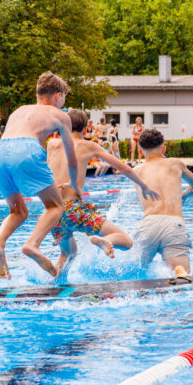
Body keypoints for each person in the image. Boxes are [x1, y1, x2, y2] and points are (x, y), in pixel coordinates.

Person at [0, 71, 82, 280]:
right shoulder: (60, 115)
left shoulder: (19, 111)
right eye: (64, 98)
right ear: (58, 96)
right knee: (55, 206)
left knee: (18, 211)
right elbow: (72, 159)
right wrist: (75, 185)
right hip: (25, 150)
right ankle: (33, 244)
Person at [47, 109, 160, 272]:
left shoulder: (52, 144)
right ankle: (105, 241)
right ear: (86, 129)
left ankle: (55, 282)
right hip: (74, 210)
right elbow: (123, 168)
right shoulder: (88, 146)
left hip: (53, 212)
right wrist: (144, 186)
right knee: (126, 241)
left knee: (68, 253)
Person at [132, 129, 193, 281]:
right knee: (184, 277)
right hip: (174, 225)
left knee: (136, 271)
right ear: (163, 149)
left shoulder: (136, 171)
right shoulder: (175, 164)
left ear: (140, 150)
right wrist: (184, 195)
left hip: (148, 225)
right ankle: (179, 269)